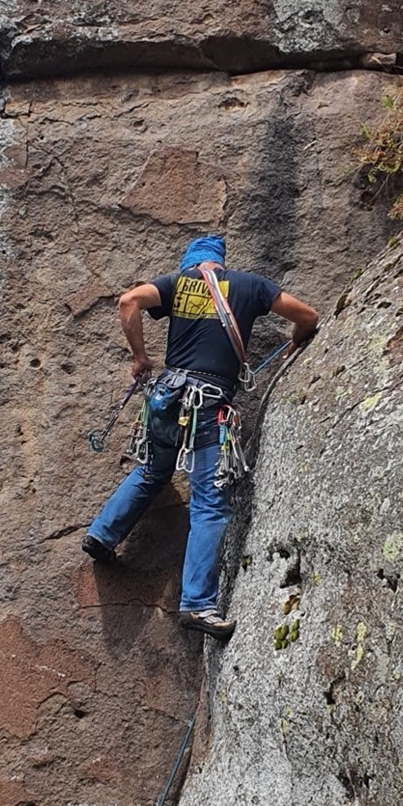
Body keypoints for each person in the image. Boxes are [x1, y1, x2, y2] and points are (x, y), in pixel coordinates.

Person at [83, 235, 318, 640]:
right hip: (209, 404)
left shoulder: (177, 283)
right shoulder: (250, 285)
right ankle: (197, 605)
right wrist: (297, 338)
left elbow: (128, 302)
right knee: (210, 504)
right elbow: (308, 316)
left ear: (192, 264)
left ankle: (102, 534)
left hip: (166, 396)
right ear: (220, 264)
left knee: (153, 472)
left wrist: (140, 357)